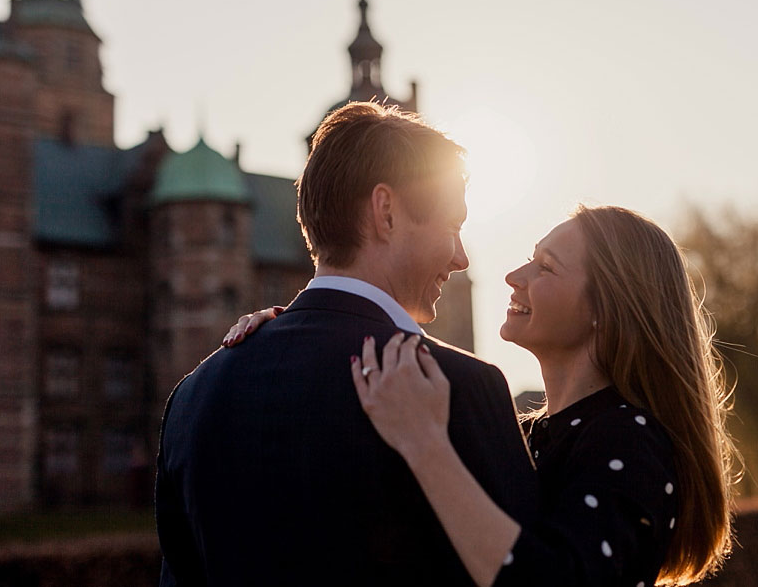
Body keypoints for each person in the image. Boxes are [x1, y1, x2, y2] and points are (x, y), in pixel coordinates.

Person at [227, 206, 738, 586]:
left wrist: (426, 446)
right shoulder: (521, 431)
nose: (515, 277)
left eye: (546, 266)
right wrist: (297, 335)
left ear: (607, 308)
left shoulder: (633, 441)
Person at [156, 102, 538, 586]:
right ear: (386, 212)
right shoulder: (458, 386)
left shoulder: (192, 395)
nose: (461, 258)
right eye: (452, 226)